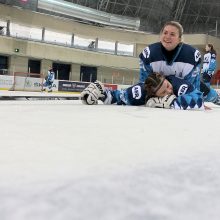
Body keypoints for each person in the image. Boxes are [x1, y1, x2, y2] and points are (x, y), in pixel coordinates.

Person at [139, 20, 220, 105]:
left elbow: (192, 87)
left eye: (172, 34)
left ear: (180, 39)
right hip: (160, 86)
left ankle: (216, 97)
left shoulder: (191, 55)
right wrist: (149, 98)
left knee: (207, 92)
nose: (167, 36)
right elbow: (145, 82)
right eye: (165, 33)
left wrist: (195, 101)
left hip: (182, 84)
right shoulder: (149, 53)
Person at [80, 72, 204, 110]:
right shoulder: (141, 91)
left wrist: (174, 103)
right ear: (153, 95)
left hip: (202, 85)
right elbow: (117, 97)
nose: (169, 90)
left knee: (213, 96)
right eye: (163, 92)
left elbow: (198, 98)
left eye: (167, 85)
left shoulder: (178, 85)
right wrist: (100, 92)